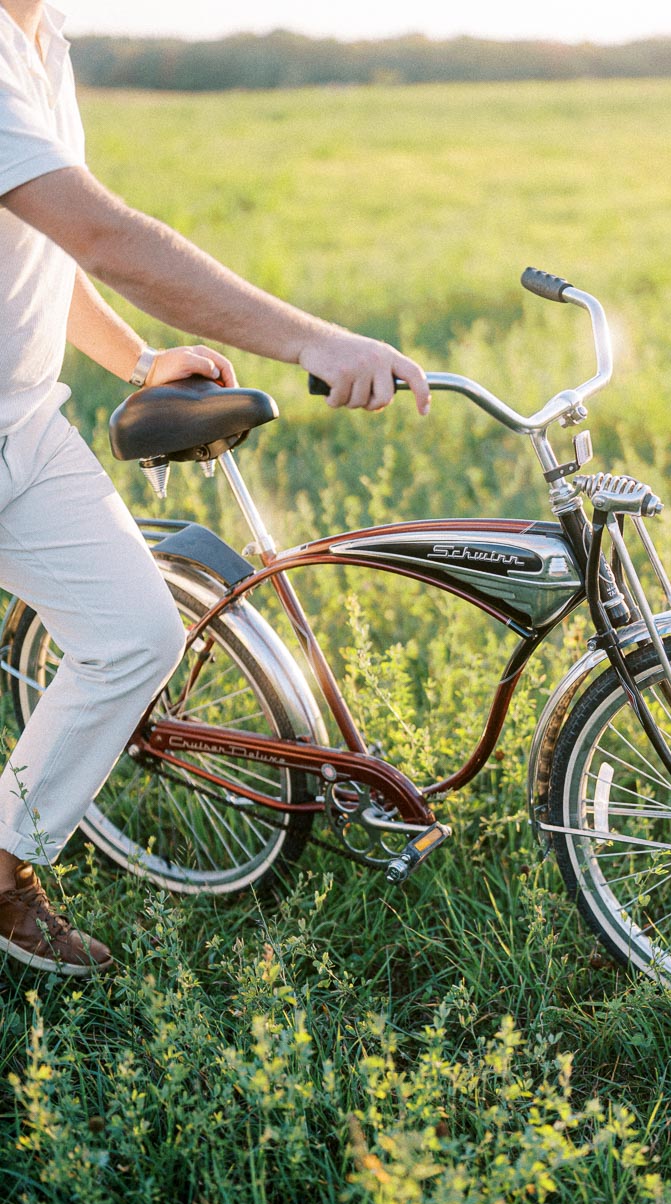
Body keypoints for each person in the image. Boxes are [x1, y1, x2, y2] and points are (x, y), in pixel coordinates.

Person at [0, 0, 430, 976]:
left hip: (22, 420)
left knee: (136, 637)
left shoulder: (41, 38)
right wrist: (316, 341)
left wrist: (136, 355)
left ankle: (0, 876)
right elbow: (105, 236)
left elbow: (46, 237)